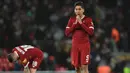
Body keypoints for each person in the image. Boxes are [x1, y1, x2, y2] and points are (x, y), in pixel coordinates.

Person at [65, 1, 94, 73]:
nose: (78, 11)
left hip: (84, 45)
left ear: (83, 10)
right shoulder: (71, 20)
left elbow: (91, 32)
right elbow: (67, 33)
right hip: (75, 46)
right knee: (77, 68)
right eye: (76, 9)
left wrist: (81, 23)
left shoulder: (88, 20)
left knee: (84, 67)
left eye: (79, 9)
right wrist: (75, 24)